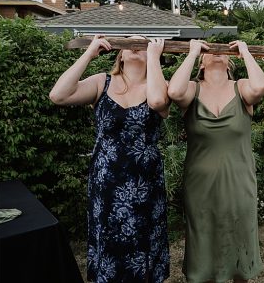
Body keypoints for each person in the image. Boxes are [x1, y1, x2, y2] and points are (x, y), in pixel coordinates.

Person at [48, 35, 172, 282]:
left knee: (143, 241)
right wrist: (89, 54)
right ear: (120, 54)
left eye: (143, 44)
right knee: (109, 240)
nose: (136, 46)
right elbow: (58, 96)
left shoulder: (159, 84)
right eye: (129, 44)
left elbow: (159, 102)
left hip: (145, 182)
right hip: (107, 182)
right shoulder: (101, 82)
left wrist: (155, 58)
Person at [166, 39, 264, 283]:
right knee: (204, 241)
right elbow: (174, 92)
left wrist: (245, 50)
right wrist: (191, 53)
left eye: (222, 51)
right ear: (201, 64)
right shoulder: (192, 89)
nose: (216, 53)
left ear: (230, 62)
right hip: (200, 185)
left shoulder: (241, 87)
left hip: (239, 181)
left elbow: (261, 87)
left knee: (239, 240)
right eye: (209, 52)